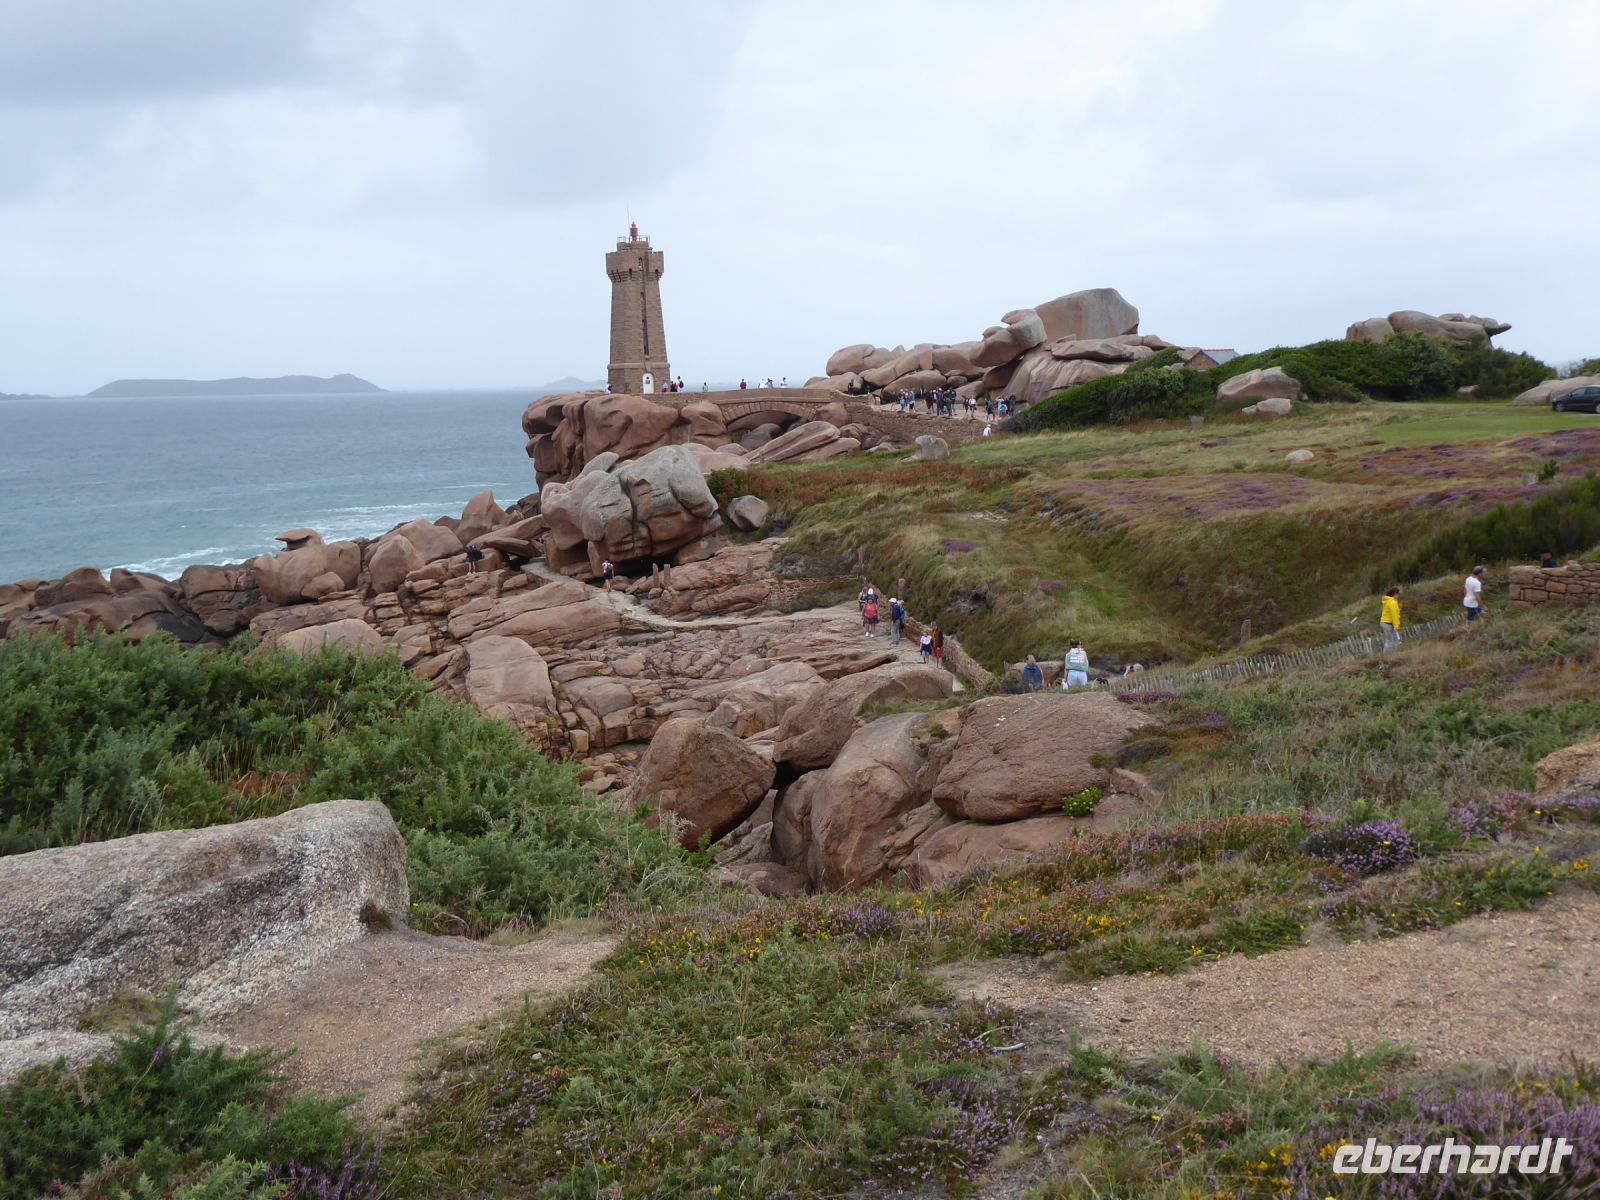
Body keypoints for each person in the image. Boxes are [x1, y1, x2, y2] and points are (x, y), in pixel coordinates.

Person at [1380, 585, 1401, 651]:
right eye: (1398, 594)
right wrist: (1396, 626)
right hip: (1387, 624)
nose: (1399, 596)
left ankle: (1393, 654)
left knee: (1392, 641)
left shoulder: (1389, 601)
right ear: (1395, 594)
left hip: (1386, 623)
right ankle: (1385, 656)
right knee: (1390, 641)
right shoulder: (1392, 602)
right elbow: (1394, 615)